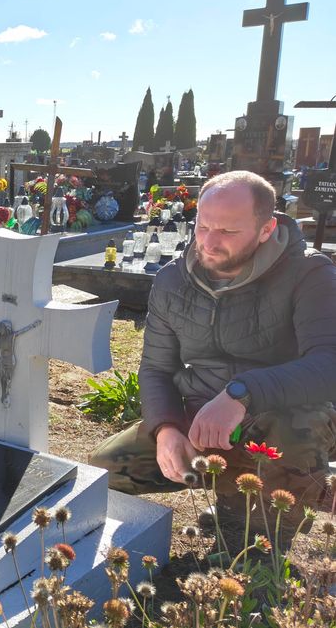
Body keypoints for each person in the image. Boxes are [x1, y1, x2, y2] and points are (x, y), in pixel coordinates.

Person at [90, 170, 336, 546]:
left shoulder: (309, 273)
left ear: (266, 229)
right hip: (204, 414)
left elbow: (328, 362)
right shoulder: (173, 280)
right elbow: (156, 368)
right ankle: (232, 493)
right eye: (203, 226)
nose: (209, 242)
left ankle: (262, 535)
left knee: (289, 431)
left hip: (288, 413)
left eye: (228, 231)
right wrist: (166, 428)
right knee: (105, 470)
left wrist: (242, 394)